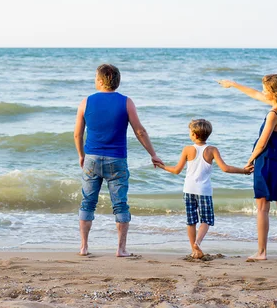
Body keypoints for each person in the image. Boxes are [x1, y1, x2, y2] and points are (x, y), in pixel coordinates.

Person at [74, 64, 163, 257]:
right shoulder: (126, 102)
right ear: (117, 81)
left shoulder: (86, 102)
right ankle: (121, 249)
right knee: (120, 204)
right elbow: (140, 131)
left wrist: (81, 155)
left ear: (99, 81)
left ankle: (84, 247)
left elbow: (77, 134)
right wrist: (153, 154)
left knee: (88, 202)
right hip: (117, 159)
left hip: (92, 158)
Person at [218, 75, 277, 261]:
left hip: (268, 163)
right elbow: (254, 94)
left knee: (262, 208)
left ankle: (262, 253)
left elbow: (262, 143)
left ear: (272, 93)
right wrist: (234, 84)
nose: (262, 92)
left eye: (265, 89)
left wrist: (249, 160)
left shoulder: (272, 115)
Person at [156, 119, 252, 259]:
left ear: (194, 135)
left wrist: (162, 166)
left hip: (188, 189)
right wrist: (243, 171)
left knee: (191, 220)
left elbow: (177, 170)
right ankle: (198, 243)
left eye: (190, 132)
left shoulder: (187, 149)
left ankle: (194, 250)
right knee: (205, 220)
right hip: (204, 191)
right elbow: (225, 168)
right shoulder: (212, 150)